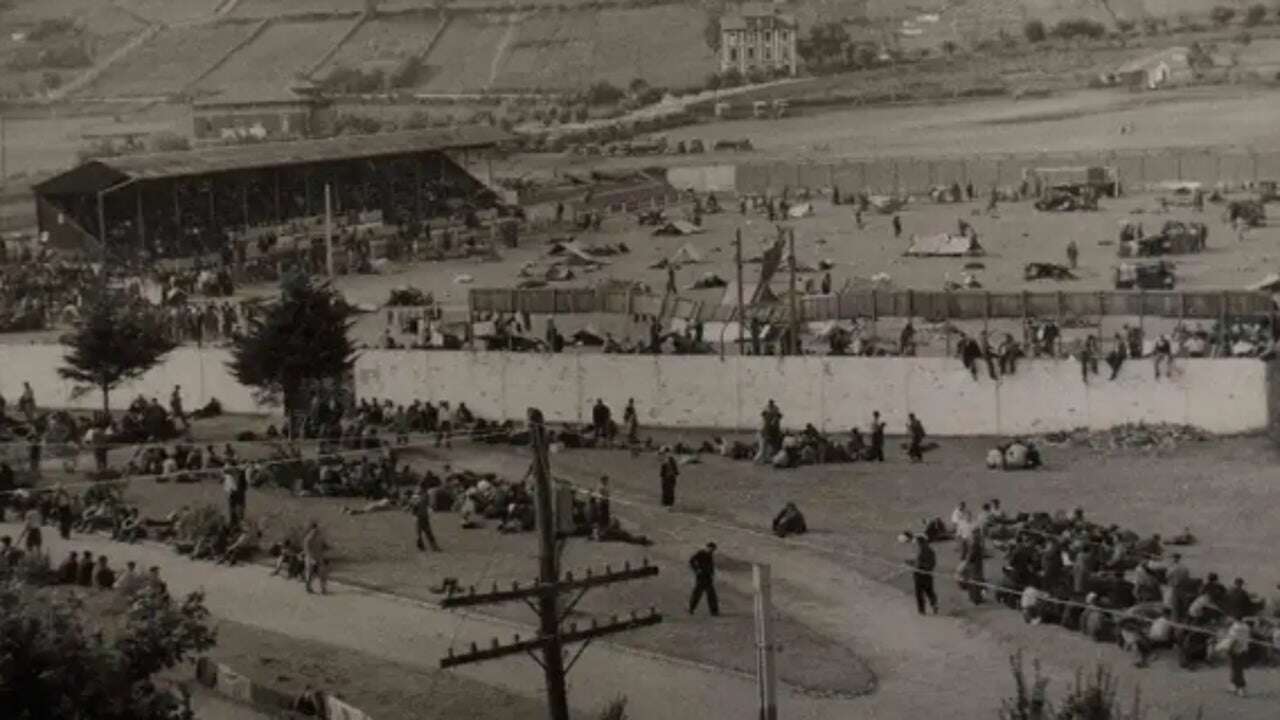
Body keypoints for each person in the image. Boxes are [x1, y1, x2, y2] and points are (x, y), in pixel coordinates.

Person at [909, 535, 938, 615]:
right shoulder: (931, 551)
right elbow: (933, 563)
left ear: (920, 542)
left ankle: (922, 610)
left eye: (917, 543)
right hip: (928, 574)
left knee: (919, 593)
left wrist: (912, 564)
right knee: (930, 591)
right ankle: (934, 604)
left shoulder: (920, 551)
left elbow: (918, 563)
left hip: (919, 574)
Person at [688, 543, 719, 616]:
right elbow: (691, 561)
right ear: (708, 547)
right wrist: (697, 570)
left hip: (708, 577)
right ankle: (691, 608)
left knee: (711, 594)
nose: (712, 550)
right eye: (711, 549)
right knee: (697, 593)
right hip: (701, 577)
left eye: (713, 549)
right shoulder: (701, 553)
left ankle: (714, 611)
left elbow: (711, 566)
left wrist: (712, 574)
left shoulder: (710, 555)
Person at [1226, 616, 1251, 696]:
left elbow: (1233, 640)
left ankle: (1241, 688)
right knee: (1236, 669)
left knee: (1236, 669)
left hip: (1235, 650)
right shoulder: (1246, 627)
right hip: (1243, 650)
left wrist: (1229, 649)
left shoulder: (1235, 627)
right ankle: (1234, 686)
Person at [303, 521, 328, 595]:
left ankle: (323, 589)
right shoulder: (308, 538)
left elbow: (324, 546)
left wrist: (327, 547)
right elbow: (306, 549)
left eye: (317, 529)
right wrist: (311, 559)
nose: (316, 531)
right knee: (310, 574)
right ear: (311, 529)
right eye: (314, 529)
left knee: (322, 573)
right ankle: (308, 587)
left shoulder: (320, 538)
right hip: (310, 558)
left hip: (319, 557)